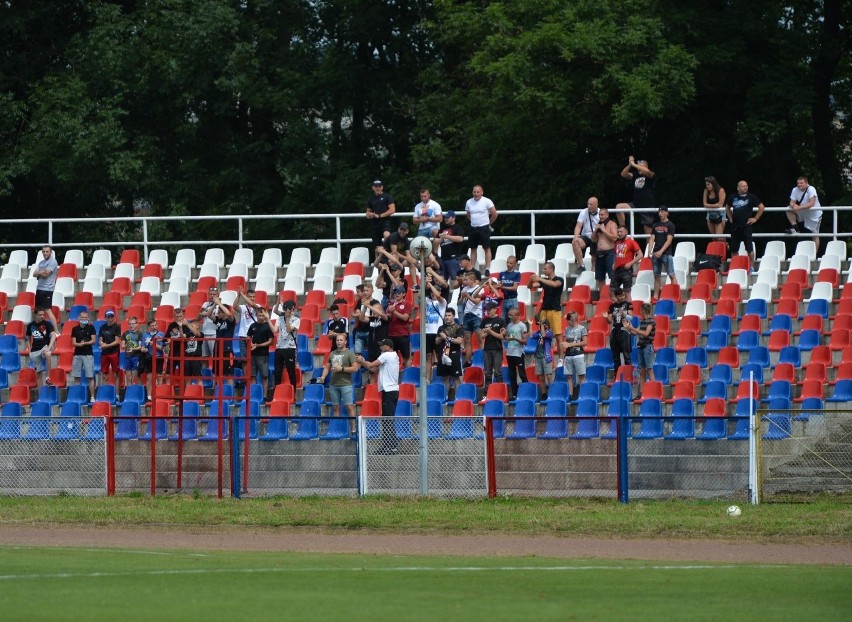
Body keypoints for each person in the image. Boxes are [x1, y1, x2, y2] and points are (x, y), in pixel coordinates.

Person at [356, 338, 400, 454]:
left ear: (388, 347)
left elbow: (371, 364)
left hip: (389, 391)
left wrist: (361, 361)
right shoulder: (393, 356)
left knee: (387, 419)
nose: (380, 348)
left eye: (382, 346)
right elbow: (375, 370)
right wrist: (364, 363)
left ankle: (390, 446)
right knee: (387, 418)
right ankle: (389, 444)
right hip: (391, 391)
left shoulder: (386, 355)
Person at [529, 261, 565, 362]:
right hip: (544, 310)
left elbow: (554, 284)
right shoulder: (544, 281)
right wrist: (531, 280)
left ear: (551, 269)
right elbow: (530, 287)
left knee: (557, 335)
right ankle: (544, 356)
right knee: (542, 334)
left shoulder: (559, 279)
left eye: (545, 268)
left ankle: (561, 359)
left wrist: (539, 279)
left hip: (554, 310)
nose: (544, 270)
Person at [725, 180, 765, 269]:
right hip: (735, 226)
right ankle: (736, 266)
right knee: (734, 248)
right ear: (738, 187)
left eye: (746, 186)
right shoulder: (732, 197)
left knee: (749, 248)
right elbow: (727, 207)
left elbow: (761, 207)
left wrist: (755, 218)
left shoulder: (751, 197)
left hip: (746, 226)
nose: (745, 187)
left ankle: (751, 266)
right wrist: (730, 217)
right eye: (743, 186)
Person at [316, 334, 358, 417]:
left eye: (341, 340)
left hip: (346, 384)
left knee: (349, 407)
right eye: (337, 340)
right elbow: (327, 367)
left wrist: (341, 369)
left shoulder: (350, 353)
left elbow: (355, 368)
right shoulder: (332, 353)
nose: (338, 342)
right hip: (333, 385)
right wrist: (323, 377)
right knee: (335, 407)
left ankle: (353, 428)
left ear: (345, 342)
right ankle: (337, 429)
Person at [615, 156, 656, 233]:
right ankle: (623, 230)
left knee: (647, 230)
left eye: (641, 166)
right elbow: (623, 174)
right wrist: (630, 164)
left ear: (646, 166)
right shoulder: (635, 175)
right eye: (638, 166)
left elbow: (647, 171)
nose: (638, 168)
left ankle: (649, 245)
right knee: (619, 207)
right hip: (635, 204)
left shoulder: (651, 174)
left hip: (647, 206)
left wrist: (634, 164)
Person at [624, 303, 655, 400]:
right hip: (641, 347)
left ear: (644, 311)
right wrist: (629, 328)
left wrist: (632, 329)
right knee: (642, 371)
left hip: (647, 347)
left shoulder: (651, 321)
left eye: (641, 310)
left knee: (649, 369)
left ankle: (654, 391)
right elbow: (634, 333)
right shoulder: (642, 322)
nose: (640, 312)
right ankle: (641, 393)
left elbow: (646, 334)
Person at [464, 185, 498, 274]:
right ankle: (471, 268)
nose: (476, 194)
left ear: (482, 192)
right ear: (472, 192)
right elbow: (468, 214)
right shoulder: (469, 202)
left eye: (478, 192)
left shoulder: (487, 201)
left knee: (486, 248)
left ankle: (487, 268)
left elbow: (494, 214)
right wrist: (473, 221)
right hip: (473, 227)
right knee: (473, 248)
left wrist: (489, 223)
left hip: (484, 227)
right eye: (474, 192)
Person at [376, 221, 420, 290]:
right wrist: (409, 259)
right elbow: (394, 252)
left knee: (412, 263)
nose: (402, 231)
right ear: (398, 229)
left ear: (407, 231)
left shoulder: (406, 241)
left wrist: (413, 261)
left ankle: (415, 285)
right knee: (381, 284)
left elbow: (408, 256)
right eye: (401, 229)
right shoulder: (394, 236)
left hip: (396, 259)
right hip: (385, 258)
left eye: (404, 230)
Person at [785, 176, 822, 252]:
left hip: (814, 214)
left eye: (801, 183)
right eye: (798, 183)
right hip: (803, 211)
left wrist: (799, 207)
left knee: (815, 234)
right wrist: (794, 205)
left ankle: (814, 255)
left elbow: (811, 203)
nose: (799, 185)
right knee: (788, 209)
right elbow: (791, 202)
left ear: (806, 183)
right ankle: (795, 228)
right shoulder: (795, 189)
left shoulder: (811, 189)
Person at [233, 288, 261, 389]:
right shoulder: (243, 307)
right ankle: (246, 380)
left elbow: (253, 305)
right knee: (244, 360)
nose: (252, 298)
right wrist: (238, 295)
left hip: (253, 337)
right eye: (250, 296)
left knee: (253, 360)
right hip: (242, 335)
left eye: (253, 297)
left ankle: (253, 380)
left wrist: (243, 296)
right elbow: (234, 306)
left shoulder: (257, 307)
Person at [165, 308, 202, 382]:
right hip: (173, 351)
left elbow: (189, 336)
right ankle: (168, 392)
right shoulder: (171, 325)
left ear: (183, 315)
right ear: (174, 317)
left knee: (184, 374)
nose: (179, 318)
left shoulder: (188, 325)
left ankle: (184, 392)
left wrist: (181, 327)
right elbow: (166, 338)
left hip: (185, 352)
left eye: (180, 316)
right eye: (177, 317)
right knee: (168, 373)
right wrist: (168, 340)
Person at [479, 300, 506, 400]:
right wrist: (487, 332)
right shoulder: (484, 321)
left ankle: (499, 392)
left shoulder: (501, 321)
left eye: (490, 310)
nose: (488, 312)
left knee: (498, 372)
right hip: (487, 348)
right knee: (487, 372)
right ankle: (487, 393)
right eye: (487, 310)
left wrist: (490, 331)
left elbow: (501, 337)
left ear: (495, 309)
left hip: (497, 349)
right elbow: (481, 336)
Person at [435, 308, 464, 400]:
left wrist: (447, 337)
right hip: (443, 354)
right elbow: (436, 341)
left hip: (454, 353)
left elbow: (459, 340)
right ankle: (445, 397)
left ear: (453, 316)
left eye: (449, 315)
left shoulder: (459, 327)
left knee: (456, 377)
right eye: (446, 315)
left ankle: (458, 397)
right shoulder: (441, 328)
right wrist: (441, 337)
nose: (447, 317)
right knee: (445, 377)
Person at [246, 308, 274, 401]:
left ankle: (265, 396)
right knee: (253, 375)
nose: (261, 317)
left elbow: (270, 341)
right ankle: (254, 395)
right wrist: (251, 345)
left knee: (264, 376)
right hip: (253, 354)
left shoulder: (267, 326)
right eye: (259, 315)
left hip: (263, 355)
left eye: (262, 315)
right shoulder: (252, 326)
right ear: (256, 315)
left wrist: (258, 345)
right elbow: (248, 337)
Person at [648, 207, 676, 301]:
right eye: (659, 211)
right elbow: (652, 238)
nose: (660, 213)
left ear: (667, 213)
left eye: (662, 212)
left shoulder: (670, 225)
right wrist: (649, 251)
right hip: (656, 253)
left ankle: (674, 294)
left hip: (666, 253)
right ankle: (656, 296)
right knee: (656, 275)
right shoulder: (655, 225)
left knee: (671, 274)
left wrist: (661, 251)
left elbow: (669, 240)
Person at [271, 297, 299, 388]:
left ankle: (293, 392)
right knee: (277, 371)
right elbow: (275, 311)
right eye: (288, 309)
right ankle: (277, 391)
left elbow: (288, 329)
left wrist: (287, 318)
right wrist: (278, 302)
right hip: (279, 347)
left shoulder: (296, 320)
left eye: (291, 309)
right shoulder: (280, 318)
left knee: (291, 371)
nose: (290, 311)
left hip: (290, 348)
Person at [458, 271, 484, 367]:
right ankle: (468, 360)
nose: (465, 281)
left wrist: (467, 296)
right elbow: (461, 302)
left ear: (472, 280)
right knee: (467, 340)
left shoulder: (479, 289)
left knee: (480, 337)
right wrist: (462, 297)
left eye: (466, 279)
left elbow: (477, 301)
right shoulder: (464, 289)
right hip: (467, 314)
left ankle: (482, 358)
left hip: (476, 314)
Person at [26, 307, 57, 388]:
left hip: (44, 346)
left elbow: (53, 336)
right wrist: (29, 351)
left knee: (48, 354)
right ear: (35, 315)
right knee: (38, 374)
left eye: (43, 315)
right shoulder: (30, 326)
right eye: (40, 315)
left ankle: (47, 378)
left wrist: (49, 347)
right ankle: (40, 395)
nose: (42, 316)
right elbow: (28, 338)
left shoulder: (47, 324)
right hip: (34, 350)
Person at [366, 179, 397, 259]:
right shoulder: (371, 199)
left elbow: (392, 210)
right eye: (376, 186)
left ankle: (391, 256)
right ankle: (378, 263)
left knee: (387, 236)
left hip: (385, 221)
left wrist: (380, 216)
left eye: (379, 186)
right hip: (375, 223)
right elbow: (367, 213)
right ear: (373, 188)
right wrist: (371, 215)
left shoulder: (387, 197)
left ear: (382, 187)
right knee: (376, 245)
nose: (378, 188)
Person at [70, 310, 97, 401]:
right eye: (82, 317)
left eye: (86, 317)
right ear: (79, 318)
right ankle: (77, 397)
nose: (84, 319)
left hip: (88, 354)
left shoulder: (91, 328)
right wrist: (79, 344)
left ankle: (92, 396)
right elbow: (73, 342)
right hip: (77, 355)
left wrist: (85, 343)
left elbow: (93, 340)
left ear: (88, 318)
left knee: (90, 376)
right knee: (77, 376)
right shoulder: (74, 329)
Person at [605, 288, 632, 378]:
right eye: (620, 296)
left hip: (624, 330)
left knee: (626, 354)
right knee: (615, 356)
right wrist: (606, 317)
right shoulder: (612, 307)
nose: (622, 297)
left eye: (623, 295)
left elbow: (631, 318)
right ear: (616, 296)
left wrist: (624, 315)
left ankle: (628, 375)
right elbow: (609, 321)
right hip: (615, 330)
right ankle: (617, 375)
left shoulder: (628, 304)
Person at [592, 207, 618, 296]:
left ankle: (613, 295)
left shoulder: (612, 224)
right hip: (599, 253)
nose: (600, 216)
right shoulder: (599, 224)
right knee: (600, 277)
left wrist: (604, 230)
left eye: (602, 214)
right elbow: (593, 239)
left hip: (609, 253)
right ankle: (603, 296)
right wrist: (596, 230)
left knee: (612, 276)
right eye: (599, 215)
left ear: (607, 215)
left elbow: (615, 237)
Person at [612, 226, 643, 301]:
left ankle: (629, 310)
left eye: (621, 232)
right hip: (617, 270)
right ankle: (618, 307)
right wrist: (614, 263)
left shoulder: (631, 242)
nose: (619, 233)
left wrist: (630, 263)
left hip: (626, 270)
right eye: (618, 232)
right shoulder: (617, 243)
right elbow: (615, 254)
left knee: (627, 292)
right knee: (612, 291)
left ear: (626, 232)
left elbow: (640, 255)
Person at [423, 274, 447, 369]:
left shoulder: (443, 302)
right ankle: (428, 379)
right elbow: (420, 295)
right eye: (432, 291)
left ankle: (441, 376)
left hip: (438, 332)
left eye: (436, 291)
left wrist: (430, 283)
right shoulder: (427, 300)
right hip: (428, 332)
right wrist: (425, 283)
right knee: (428, 356)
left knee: (439, 355)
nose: (433, 293)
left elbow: (437, 295)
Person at [504, 307, 529, 400]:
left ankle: (526, 393)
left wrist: (515, 338)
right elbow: (506, 338)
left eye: (512, 315)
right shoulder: (509, 325)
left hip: (518, 353)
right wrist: (504, 335)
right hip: (510, 352)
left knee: (522, 373)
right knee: (512, 375)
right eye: (509, 315)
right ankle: (515, 394)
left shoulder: (522, 326)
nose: (510, 317)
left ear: (517, 315)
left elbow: (524, 341)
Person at [562, 311, 588, 400]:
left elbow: (585, 342)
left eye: (568, 320)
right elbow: (565, 341)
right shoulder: (567, 329)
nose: (567, 322)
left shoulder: (582, 328)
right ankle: (570, 395)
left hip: (578, 354)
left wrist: (571, 345)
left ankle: (583, 394)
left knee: (581, 375)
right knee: (569, 376)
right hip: (568, 355)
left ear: (572, 320)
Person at [572, 197, 601, 274]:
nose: (589, 206)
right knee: (575, 243)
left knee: (594, 261)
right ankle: (581, 265)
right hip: (586, 236)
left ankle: (593, 274)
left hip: (597, 237)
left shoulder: (601, 213)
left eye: (591, 204)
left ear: (596, 205)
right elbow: (578, 226)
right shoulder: (583, 212)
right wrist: (575, 237)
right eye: (588, 204)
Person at [386, 286, 413, 367]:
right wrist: (390, 313)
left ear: (403, 294)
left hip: (402, 334)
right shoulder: (391, 304)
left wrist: (394, 311)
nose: (396, 294)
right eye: (395, 293)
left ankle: (408, 378)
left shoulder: (407, 304)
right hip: (391, 334)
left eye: (399, 293)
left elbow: (405, 318)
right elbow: (388, 318)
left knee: (406, 357)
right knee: (391, 358)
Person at [33, 245, 59, 327]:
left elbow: (46, 275)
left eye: (47, 251)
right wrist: (41, 272)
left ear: (51, 252)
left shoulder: (53, 262)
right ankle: (39, 329)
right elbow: (34, 274)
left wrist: (39, 273)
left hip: (47, 289)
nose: (45, 253)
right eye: (43, 252)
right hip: (39, 288)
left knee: (47, 310)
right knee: (38, 311)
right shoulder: (41, 263)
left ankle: (56, 331)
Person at [436, 210, 465, 281]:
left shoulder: (458, 227)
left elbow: (460, 239)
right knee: (442, 281)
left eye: (448, 217)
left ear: (453, 218)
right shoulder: (442, 229)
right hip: (443, 258)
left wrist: (447, 237)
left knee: (456, 279)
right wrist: (441, 239)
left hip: (453, 258)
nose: (446, 219)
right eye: (445, 217)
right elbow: (435, 241)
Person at [529, 318, 554, 400]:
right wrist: (530, 325)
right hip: (538, 357)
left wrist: (542, 325)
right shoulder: (538, 333)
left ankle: (552, 392)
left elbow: (544, 335)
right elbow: (531, 335)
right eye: (543, 324)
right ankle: (544, 393)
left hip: (546, 356)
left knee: (549, 375)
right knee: (541, 377)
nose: (544, 326)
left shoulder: (550, 332)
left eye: (545, 324)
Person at [98, 310, 122, 392]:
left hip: (114, 352)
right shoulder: (102, 327)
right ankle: (105, 393)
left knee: (116, 374)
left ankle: (117, 394)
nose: (110, 319)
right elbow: (100, 339)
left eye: (112, 317)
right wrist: (101, 344)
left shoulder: (117, 327)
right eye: (109, 317)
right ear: (105, 318)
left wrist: (106, 345)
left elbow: (117, 341)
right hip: (104, 353)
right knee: (104, 374)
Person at [198, 287, 222, 364]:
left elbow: (219, 318)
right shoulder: (205, 304)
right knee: (204, 357)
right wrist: (201, 313)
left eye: (214, 294)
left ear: (217, 295)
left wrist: (206, 313)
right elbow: (198, 317)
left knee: (214, 356)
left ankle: (215, 374)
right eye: (210, 294)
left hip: (214, 333)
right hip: (205, 333)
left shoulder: (220, 306)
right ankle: (204, 375)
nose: (212, 296)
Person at [212, 302, 236, 378]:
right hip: (217, 349)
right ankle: (217, 389)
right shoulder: (217, 320)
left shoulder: (230, 321)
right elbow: (209, 314)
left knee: (229, 373)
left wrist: (219, 304)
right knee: (217, 372)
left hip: (227, 349)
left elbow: (229, 314)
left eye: (219, 312)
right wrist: (215, 304)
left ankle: (230, 390)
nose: (217, 314)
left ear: (223, 312)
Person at [121, 316, 144, 386]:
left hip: (136, 357)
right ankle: (129, 391)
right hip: (127, 357)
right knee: (128, 377)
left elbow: (140, 347)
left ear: (137, 324)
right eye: (130, 324)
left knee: (137, 376)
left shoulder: (140, 334)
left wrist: (133, 349)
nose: (131, 325)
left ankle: (139, 391)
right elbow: (122, 346)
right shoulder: (125, 333)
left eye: (133, 324)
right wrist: (124, 346)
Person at [703, 176, 727, 243]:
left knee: (719, 237)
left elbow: (720, 204)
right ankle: (716, 252)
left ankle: (725, 246)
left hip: (720, 214)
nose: (707, 186)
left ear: (713, 184)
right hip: (710, 214)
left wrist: (709, 206)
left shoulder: (720, 190)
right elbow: (704, 204)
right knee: (714, 237)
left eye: (708, 184)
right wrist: (715, 206)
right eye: (706, 185)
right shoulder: (706, 191)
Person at [497, 255, 521, 321]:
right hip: (504, 299)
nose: (508, 264)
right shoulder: (502, 273)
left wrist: (503, 287)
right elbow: (498, 285)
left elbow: (514, 288)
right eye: (507, 262)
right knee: (503, 319)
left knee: (513, 319)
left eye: (511, 263)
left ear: (515, 264)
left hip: (512, 299)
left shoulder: (517, 273)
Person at [351, 283, 373, 356]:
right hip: (359, 330)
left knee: (371, 352)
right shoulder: (359, 302)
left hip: (369, 330)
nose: (357, 294)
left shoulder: (373, 302)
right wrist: (356, 314)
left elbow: (373, 316)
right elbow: (354, 313)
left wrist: (360, 315)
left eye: (358, 292)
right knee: (357, 354)